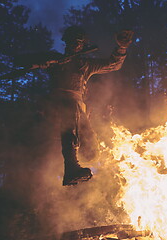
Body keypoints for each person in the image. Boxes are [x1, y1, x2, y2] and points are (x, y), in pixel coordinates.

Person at [36, 26, 133, 186]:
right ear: (66, 42)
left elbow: (113, 64)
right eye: (73, 41)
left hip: (79, 109)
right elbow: (20, 61)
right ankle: (71, 168)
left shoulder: (85, 65)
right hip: (58, 106)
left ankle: (83, 175)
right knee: (70, 119)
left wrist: (121, 47)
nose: (76, 44)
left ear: (83, 45)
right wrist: (44, 62)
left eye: (79, 42)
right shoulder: (54, 60)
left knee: (92, 149)